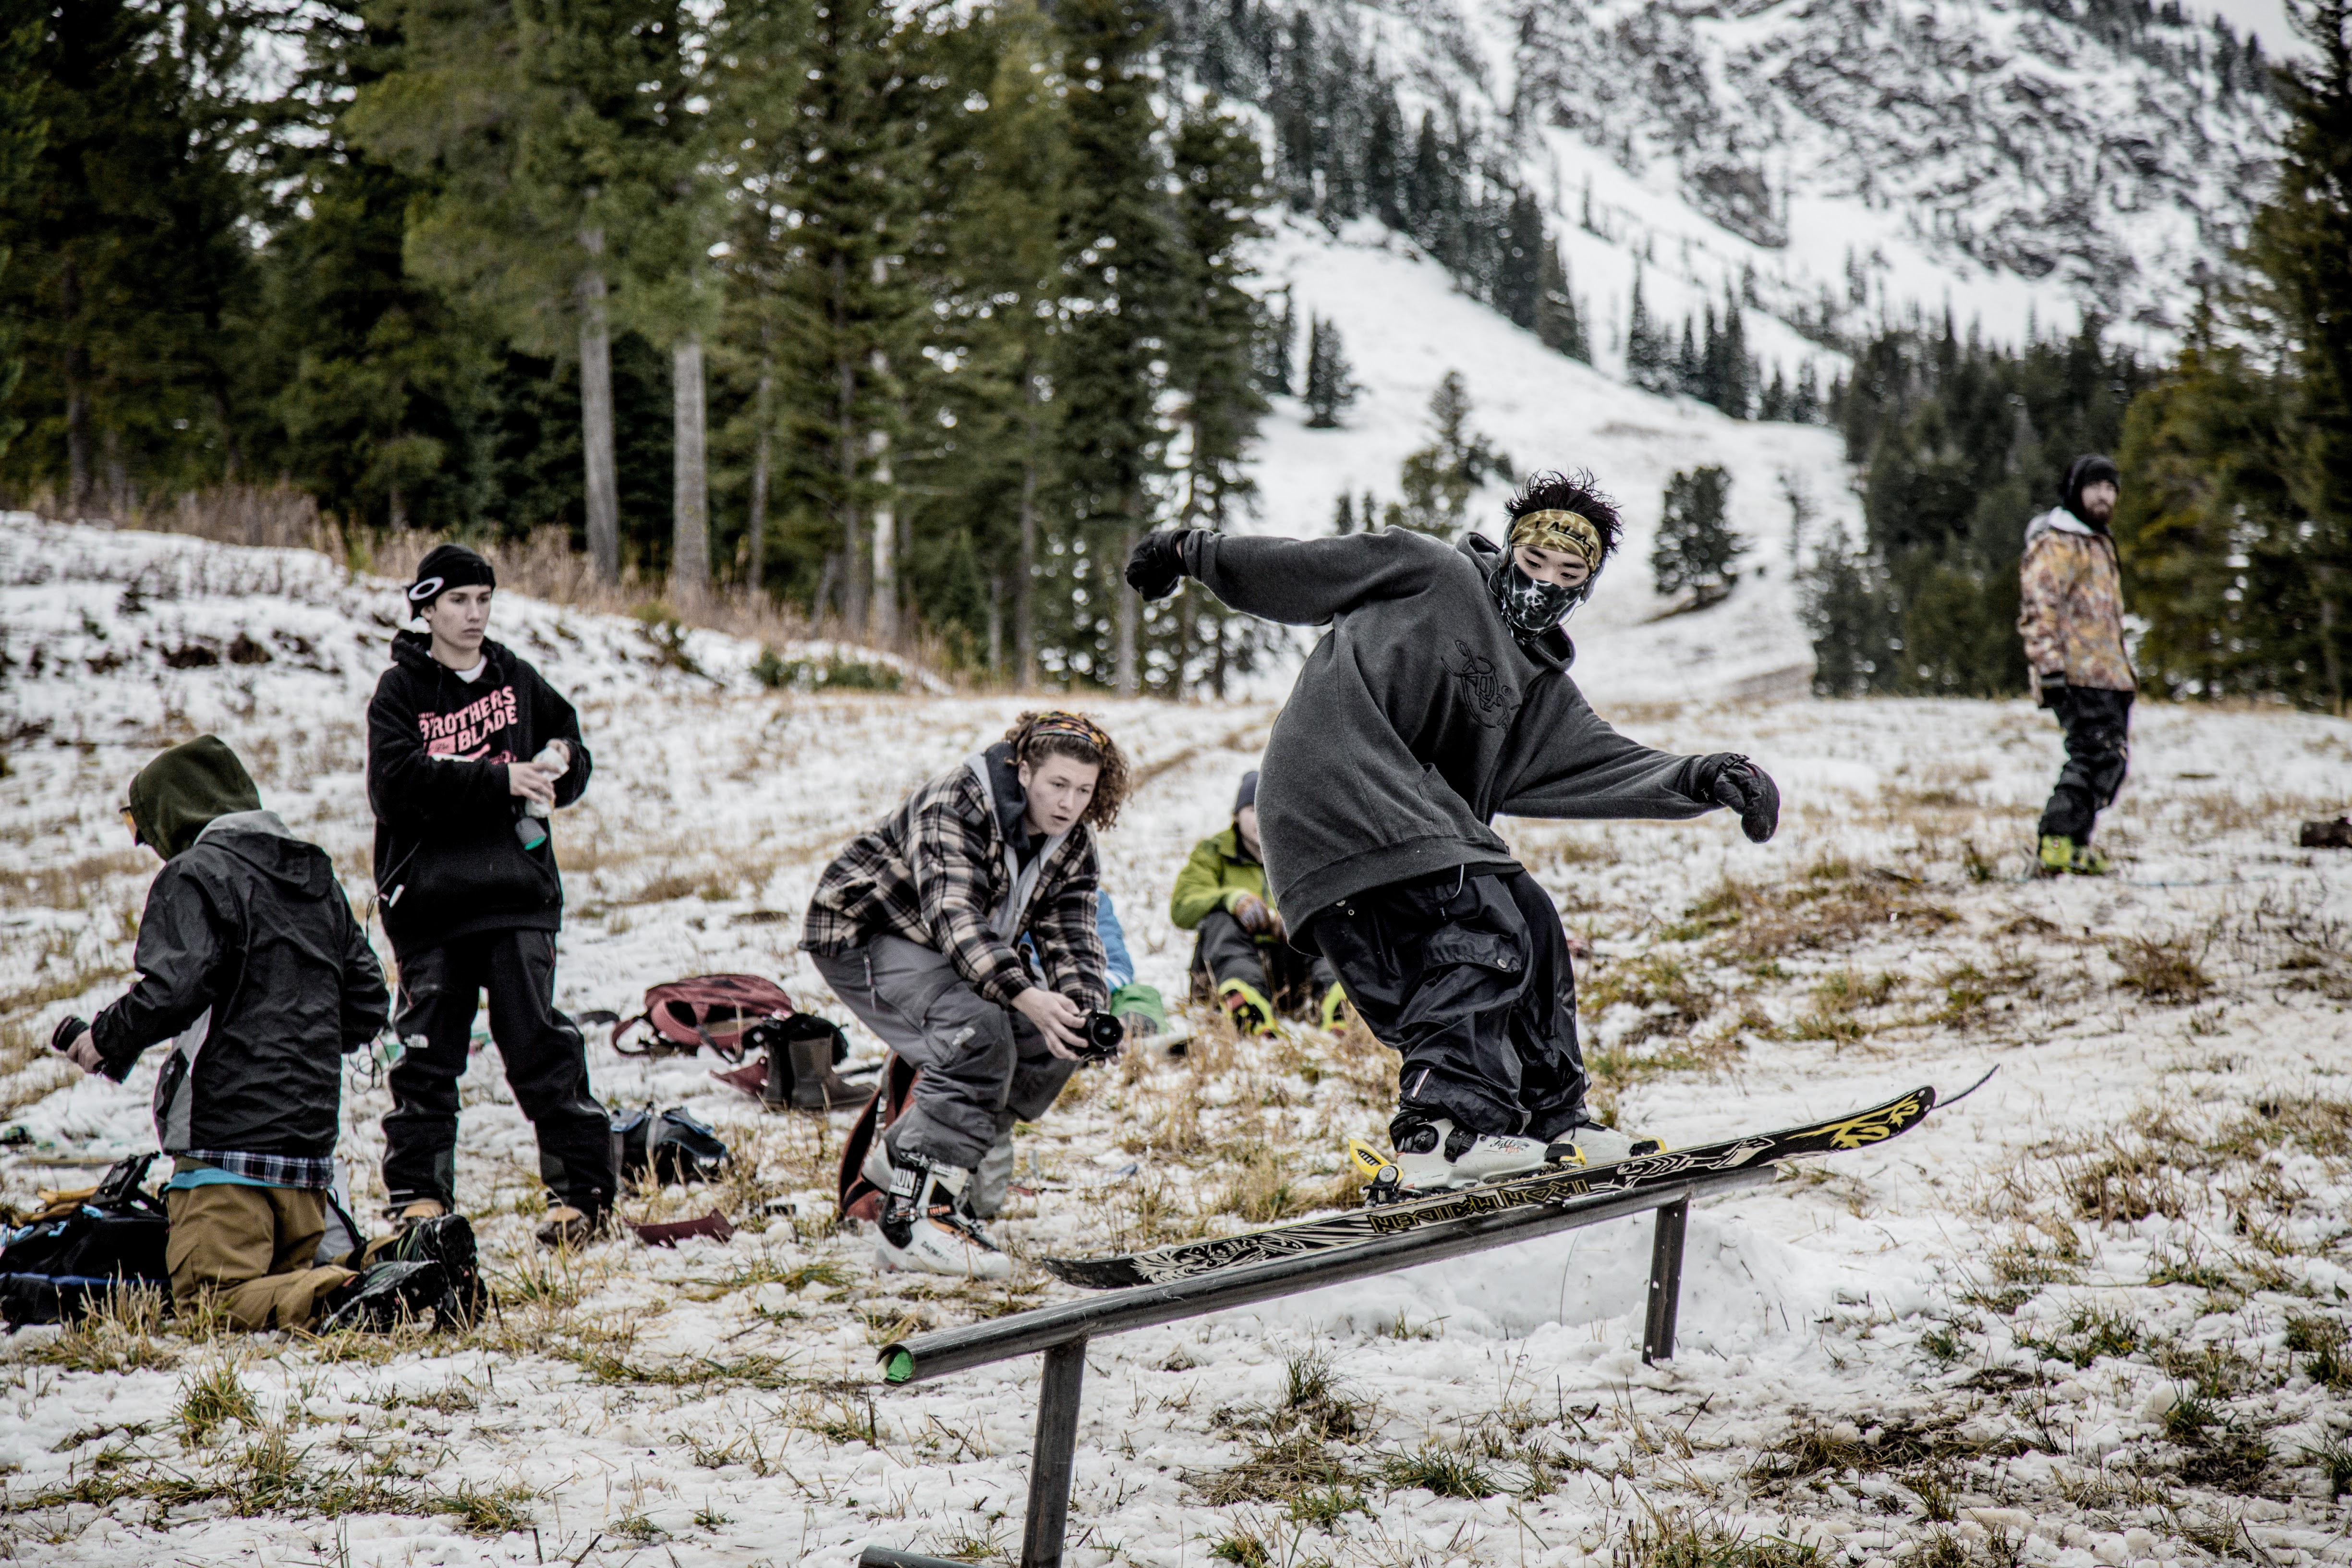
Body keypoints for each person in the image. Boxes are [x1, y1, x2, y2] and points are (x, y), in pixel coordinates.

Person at [1125, 472, 1781, 1194]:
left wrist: (1704, 776)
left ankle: (1549, 1118)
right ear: (1507, 552)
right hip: (1332, 788)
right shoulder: (1428, 571)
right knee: (1480, 912)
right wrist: (1189, 552)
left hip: (1402, 842)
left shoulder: (1536, 687)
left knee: (1526, 916)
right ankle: (1442, 1128)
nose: (1543, 586)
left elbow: (1604, 760)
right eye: (1532, 564)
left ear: (1585, 588)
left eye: (1568, 576)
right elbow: (1299, 568)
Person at [48, 736, 460, 1331]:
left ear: (176, 813)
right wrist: (302, 1034)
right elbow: (369, 1001)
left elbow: (171, 989)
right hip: (308, 1157)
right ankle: (402, 1261)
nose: (149, 847)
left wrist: (104, 1040)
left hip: (224, 1153)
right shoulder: (312, 869)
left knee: (211, 1303)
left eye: (148, 829)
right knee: (277, 1283)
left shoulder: (194, 874)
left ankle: (345, 1294)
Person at [804, 711, 1126, 1278]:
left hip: (956, 952)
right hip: (866, 934)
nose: (1068, 803)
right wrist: (1026, 994)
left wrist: (1084, 1009)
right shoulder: (955, 802)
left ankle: (909, 1165)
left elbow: (1073, 932)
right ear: (1022, 770)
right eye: (1057, 784)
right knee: (976, 1035)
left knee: (1049, 1040)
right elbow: (954, 919)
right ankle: (914, 1221)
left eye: (1083, 790)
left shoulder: (1071, 840)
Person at [366, 544, 613, 1250]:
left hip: (518, 895)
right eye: (458, 602)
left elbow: (569, 746)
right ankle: (419, 1197)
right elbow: (396, 786)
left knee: (538, 1042)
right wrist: (498, 780)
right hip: (431, 904)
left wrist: (562, 764)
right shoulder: (401, 691)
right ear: (427, 608)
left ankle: (583, 1195)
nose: (473, 615)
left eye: (483, 600)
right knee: (426, 1056)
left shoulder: (514, 677)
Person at [2019, 455, 2134, 876]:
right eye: (2095, 487)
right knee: (2093, 755)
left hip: (2109, 675)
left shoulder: (2099, 544)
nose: (2104, 496)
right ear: (2075, 490)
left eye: (2111, 487)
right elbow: (2039, 607)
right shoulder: (2060, 543)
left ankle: (2075, 844)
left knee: (2111, 761)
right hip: (2076, 673)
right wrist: (2049, 666)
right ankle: (2055, 839)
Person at [1171, 769, 1344, 1034]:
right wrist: (1231, 899)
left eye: (1268, 806)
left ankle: (1336, 999)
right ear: (1236, 815)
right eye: (1252, 808)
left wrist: (1293, 919)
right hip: (1225, 968)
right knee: (1220, 919)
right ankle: (1245, 1001)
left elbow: (1331, 899)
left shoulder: (1302, 855)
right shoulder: (1213, 853)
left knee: (1319, 923)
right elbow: (1182, 906)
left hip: (1291, 974)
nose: (1261, 816)